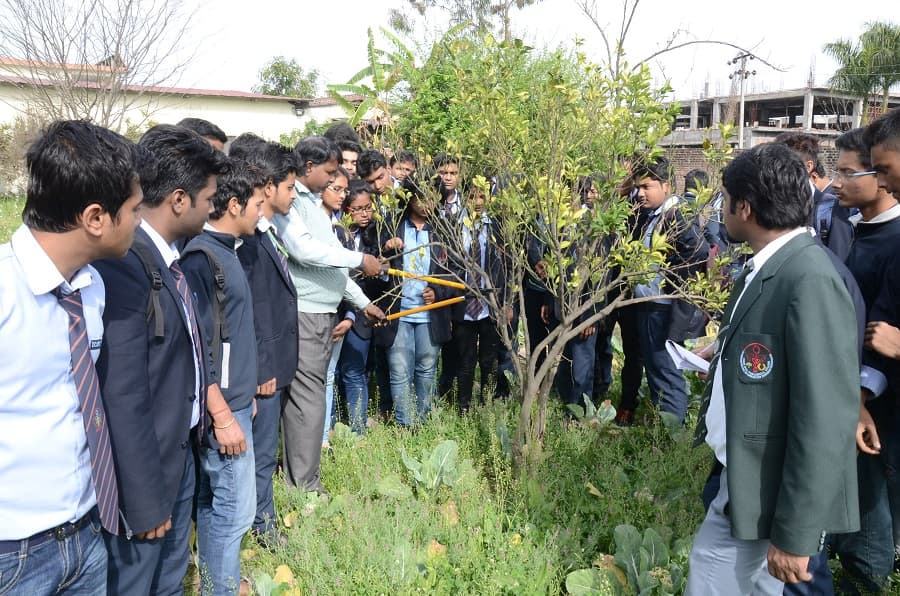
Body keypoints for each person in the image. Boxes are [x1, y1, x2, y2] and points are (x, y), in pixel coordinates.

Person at [687, 142, 860, 594]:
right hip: (744, 478)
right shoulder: (767, 267)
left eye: (725, 201)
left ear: (744, 207)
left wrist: (796, 534)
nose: (722, 212)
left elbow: (823, 417)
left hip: (770, 486)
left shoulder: (809, 279)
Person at [0, 120, 144, 594]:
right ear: (96, 218)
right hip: (13, 554)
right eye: (135, 209)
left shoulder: (90, 287)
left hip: (85, 534)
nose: (141, 222)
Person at [95, 123, 226, 594]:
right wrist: (146, 498)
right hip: (147, 472)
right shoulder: (125, 264)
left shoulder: (167, 257)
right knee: (138, 581)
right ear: (178, 199)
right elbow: (124, 392)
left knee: (169, 579)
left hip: (179, 450)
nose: (213, 209)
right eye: (208, 199)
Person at [274, 136, 384, 494]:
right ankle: (304, 486)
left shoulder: (314, 208)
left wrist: (361, 301)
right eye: (330, 172)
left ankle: (302, 478)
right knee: (308, 401)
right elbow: (304, 252)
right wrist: (359, 260)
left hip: (321, 313)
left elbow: (332, 268)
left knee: (309, 400)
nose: (336, 179)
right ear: (310, 168)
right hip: (306, 314)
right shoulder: (294, 205)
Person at [181, 160, 265, 594]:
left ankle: (220, 583)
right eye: (256, 204)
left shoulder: (227, 253)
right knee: (231, 511)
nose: (261, 214)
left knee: (222, 508)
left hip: (235, 404)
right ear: (233, 205)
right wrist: (221, 412)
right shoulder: (201, 259)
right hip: (223, 415)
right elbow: (196, 348)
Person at [824, 126, 900, 594]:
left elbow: (885, 331)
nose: (837, 183)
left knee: (873, 497)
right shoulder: (848, 231)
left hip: (880, 402)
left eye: (849, 173)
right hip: (860, 395)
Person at [235, 142, 300, 547]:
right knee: (259, 456)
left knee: (264, 452)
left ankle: (262, 517)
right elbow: (252, 310)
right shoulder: (248, 243)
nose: (293, 195)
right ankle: (261, 525)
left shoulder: (265, 233)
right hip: (263, 368)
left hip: (273, 361)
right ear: (268, 186)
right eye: (290, 186)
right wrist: (261, 369)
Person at [374, 178, 459, 427]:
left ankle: (423, 421)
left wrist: (438, 291)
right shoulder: (392, 226)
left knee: (426, 368)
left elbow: (455, 269)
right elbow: (376, 266)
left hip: (430, 312)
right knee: (400, 370)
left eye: (432, 197)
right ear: (409, 199)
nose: (426, 203)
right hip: (398, 311)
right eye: (421, 197)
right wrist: (387, 250)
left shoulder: (445, 229)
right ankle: (405, 424)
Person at [632, 156, 708, 424]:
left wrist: (670, 281)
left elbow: (698, 253)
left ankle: (672, 436)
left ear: (666, 186)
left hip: (662, 310)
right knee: (656, 370)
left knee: (665, 372)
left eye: (647, 186)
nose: (640, 193)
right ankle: (662, 428)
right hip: (649, 307)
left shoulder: (675, 215)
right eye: (638, 187)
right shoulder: (654, 215)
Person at [445, 180, 510, 412]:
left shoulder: (497, 227)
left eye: (483, 196)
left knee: (489, 359)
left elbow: (508, 267)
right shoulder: (454, 226)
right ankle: (464, 407)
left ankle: (487, 404)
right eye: (474, 197)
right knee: (466, 359)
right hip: (463, 303)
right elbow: (449, 266)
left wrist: (506, 301)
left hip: (489, 304)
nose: (479, 202)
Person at [338, 180, 394, 432]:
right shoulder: (334, 234)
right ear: (346, 209)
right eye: (357, 209)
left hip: (365, 313)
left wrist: (381, 269)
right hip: (337, 310)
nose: (364, 214)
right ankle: (331, 426)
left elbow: (385, 276)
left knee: (356, 370)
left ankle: (358, 427)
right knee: (336, 372)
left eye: (368, 208)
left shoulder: (377, 234)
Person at [319, 167, 355, 445]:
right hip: (311, 317)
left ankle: (322, 440)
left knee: (329, 377)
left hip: (339, 318)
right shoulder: (304, 227)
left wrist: (351, 316)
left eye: (345, 190)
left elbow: (349, 279)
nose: (343, 195)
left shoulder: (344, 231)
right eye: (336, 189)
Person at [776, 131, 853, 260]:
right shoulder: (775, 206)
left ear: (808, 166)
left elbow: (839, 261)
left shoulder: (832, 209)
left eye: (783, 166)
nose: (777, 172)